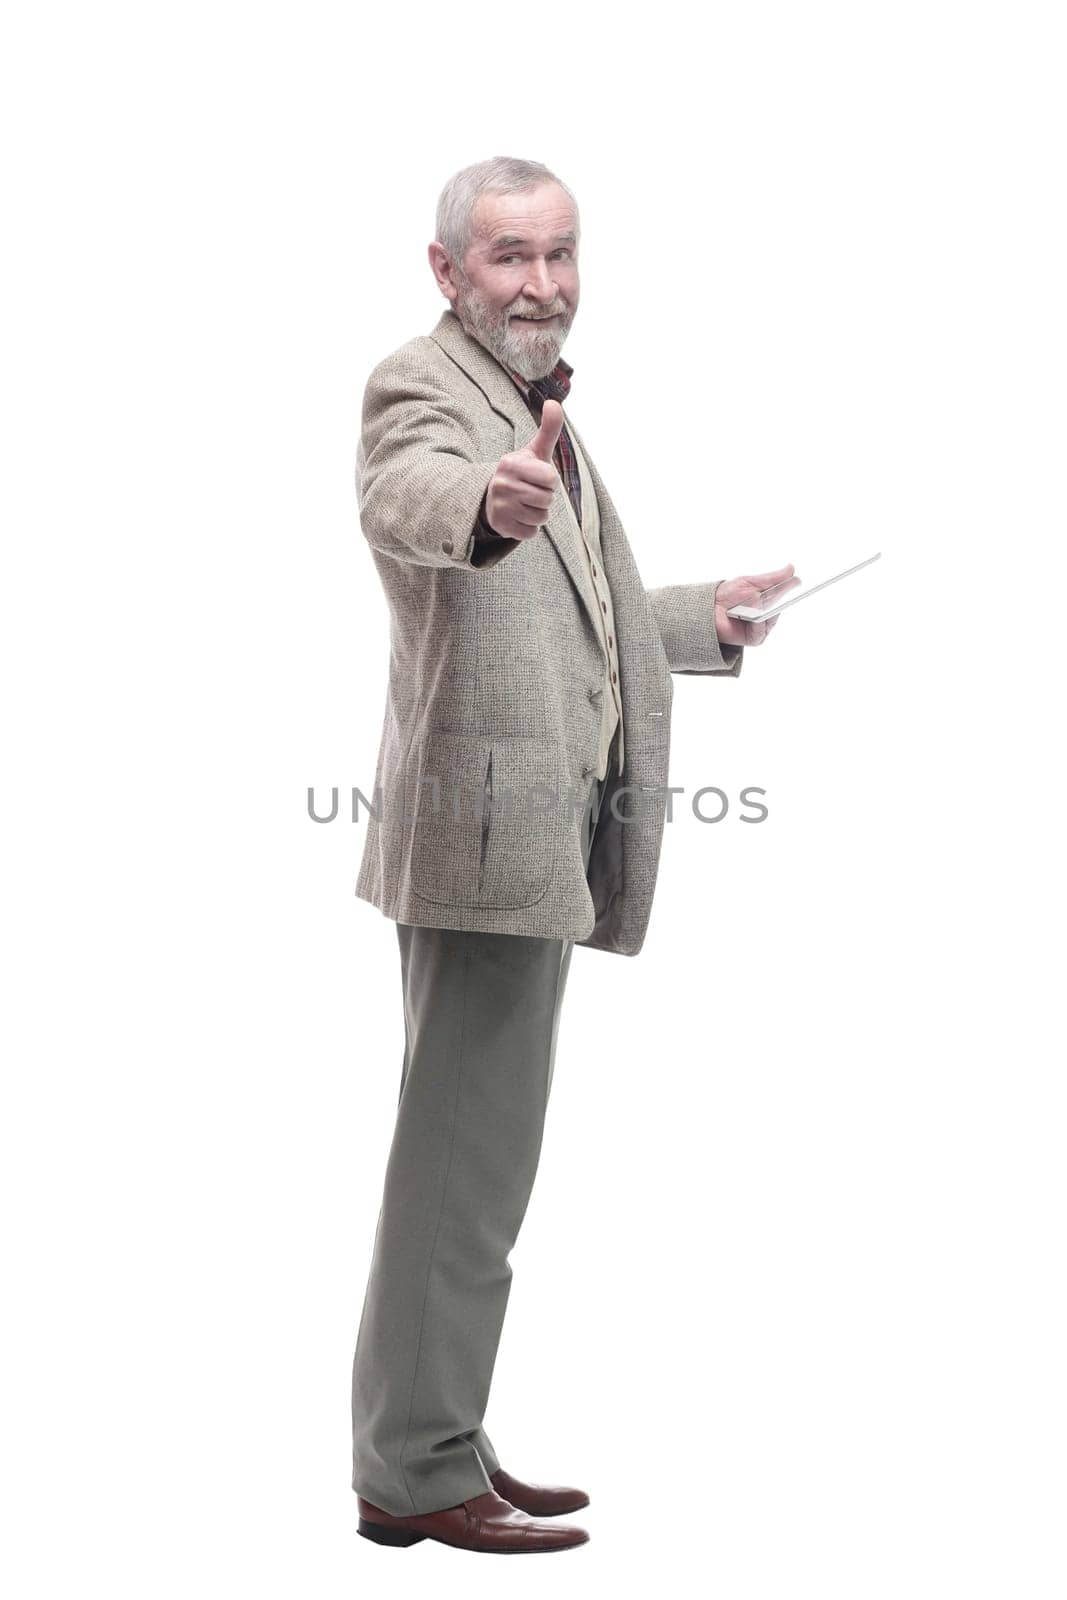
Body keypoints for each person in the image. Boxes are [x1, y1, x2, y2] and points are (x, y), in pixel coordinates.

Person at [350, 155, 794, 1556]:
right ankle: (414, 1472)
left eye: (558, 253)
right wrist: (485, 506)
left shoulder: (537, 407)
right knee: (461, 1168)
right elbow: (412, 496)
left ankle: (440, 1431)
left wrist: (704, 623)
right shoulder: (428, 390)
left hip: (532, 840)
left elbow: (586, 610)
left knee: (481, 1161)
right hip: (482, 843)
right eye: (506, 258)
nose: (540, 282)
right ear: (447, 274)